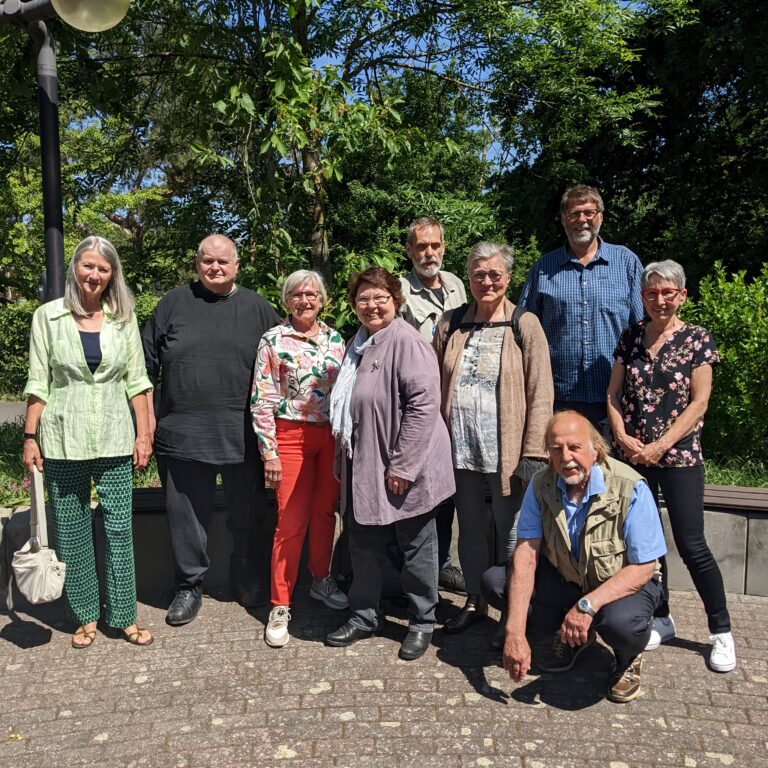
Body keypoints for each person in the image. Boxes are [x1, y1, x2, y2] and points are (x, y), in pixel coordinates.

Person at [22, 236, 154, 648]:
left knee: (119, 530)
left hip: (115, 437)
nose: (94, 275)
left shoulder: (123, 317)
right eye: (88, 266)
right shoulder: (48, 317)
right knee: (72, 531)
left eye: (103, 268)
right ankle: (83, 617)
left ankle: (124, 616)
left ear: (112, 274)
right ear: (74, 269)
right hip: (63, 439)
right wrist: (29, 436)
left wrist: (144, 433)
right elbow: (38, 381)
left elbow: (137, 379)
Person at [142, 234, 279, 625]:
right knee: (186, 520)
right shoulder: (172, 304)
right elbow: (144, 365)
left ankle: (245, 572)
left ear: (237, 265)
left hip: (243, 436)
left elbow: (283, 366)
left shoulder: (258, 309)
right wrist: (147, 421)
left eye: (222, 261)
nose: (215, 268)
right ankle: (188, 586)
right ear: (196, 263)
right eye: (207, 261)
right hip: (181, 436)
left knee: (248, 515)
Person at [606, 259, 736, 672]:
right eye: (651, 293)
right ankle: (662, 617)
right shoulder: (630, 337)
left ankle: (722, 632)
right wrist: (623, 437)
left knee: (691, 543)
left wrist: (661, 445)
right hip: (633, 457)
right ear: (642, 297)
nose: (659, 299)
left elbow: (699, 402)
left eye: (667, 292)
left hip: (679, 456)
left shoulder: (697, 339)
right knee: (644, 544)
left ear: (681, 295)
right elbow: (612, 394)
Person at [325, 267, 455, 661]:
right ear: (353, 305)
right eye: (363, 299)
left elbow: (423, 406)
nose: (371, 305)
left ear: (395, 301)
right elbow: (346, 406)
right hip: (363, 461)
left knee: (416, 544)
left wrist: (403, 466)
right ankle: (365, 615)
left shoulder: (406, 341)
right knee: (363, 543)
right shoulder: (359, 343)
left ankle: (421, 621)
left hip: (403, 464)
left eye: (380, 297)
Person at [500, 411, 667, 703]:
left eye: (574, 447)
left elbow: (644, 567)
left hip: (623, 583)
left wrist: (586, 606)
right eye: (556, 449)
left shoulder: (630, 487)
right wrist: (514, 633)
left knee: (622, 625)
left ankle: (628, 657)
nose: (566, 457)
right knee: (496, 583)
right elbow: (526, 554)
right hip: (570, 577)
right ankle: (573, 638)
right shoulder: (541, 484)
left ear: (595, 449)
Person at [433, 242, 553, 635]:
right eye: (478, 274)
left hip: (509, 454)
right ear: (467, 278)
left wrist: (534, 453)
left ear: (508, 278)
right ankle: (474, 599)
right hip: (459, 450)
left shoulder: (525, 323)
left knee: (512, 532)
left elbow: (541, 392)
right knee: (468, 531)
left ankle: (512, 612)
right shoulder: (449, 324)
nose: (486, 281)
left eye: (494, 274)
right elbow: (433, 386)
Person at [251, 269, 347, 648]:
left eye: (312, 294)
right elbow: (263, 398)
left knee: (325, 513)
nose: (305, 300)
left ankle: (321, 579)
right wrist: (269, 451)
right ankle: (280, 603)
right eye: (297, 294)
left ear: (323, 299)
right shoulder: (273, 339)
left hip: (329, 438)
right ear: (286, 300)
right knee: (290, 521)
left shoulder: (337, 340)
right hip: (289, 435)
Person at [518, 185, 643, 428]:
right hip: (558, 396)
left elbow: (642, 328)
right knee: (563, 465)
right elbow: (524, 332)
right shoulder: (544, 268)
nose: (581, 220)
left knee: (610, 466)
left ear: (601, 217)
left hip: (614, 397)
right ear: (563, 219)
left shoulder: (626, 262)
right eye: (574, 214)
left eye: (589, 212)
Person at [399, 216, 467, 594]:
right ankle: (418, 568)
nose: (429, 253)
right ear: (409, 250)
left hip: (457, 404)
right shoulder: (399, 291)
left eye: (435, 245)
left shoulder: (458, 284)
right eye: (421, 246)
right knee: (421, 489)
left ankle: (443, 562)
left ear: (444, 247)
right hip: (419, 407)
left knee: (450, 487)